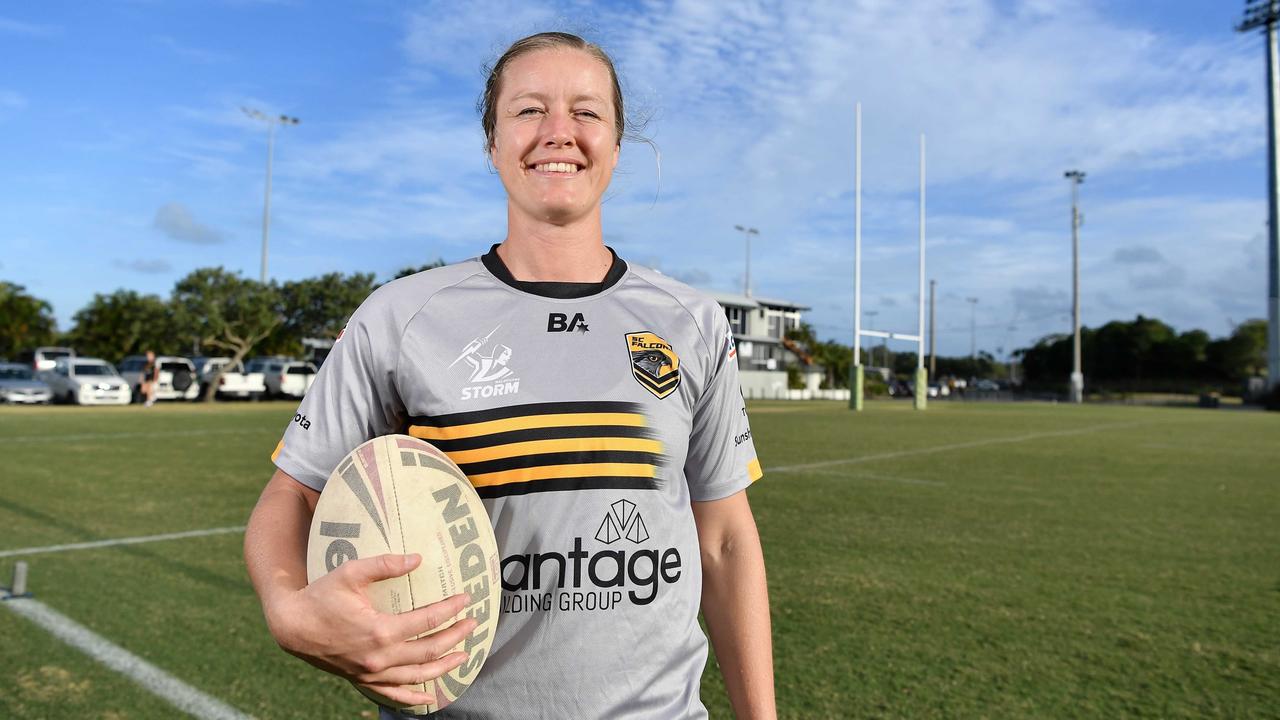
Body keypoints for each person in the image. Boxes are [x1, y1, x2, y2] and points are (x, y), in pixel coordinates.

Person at [245, 31, 775, 719]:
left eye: (587, 112)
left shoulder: (692, 322)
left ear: (618, 145)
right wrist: (288, 610)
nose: (559, 132)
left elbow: (727, 542)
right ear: (492, 143)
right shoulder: (401, 317)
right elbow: (290, 495)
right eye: (529, 111)